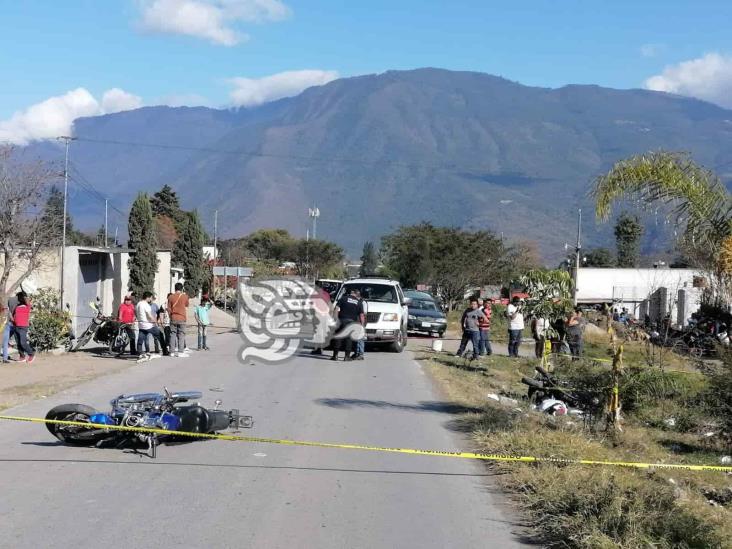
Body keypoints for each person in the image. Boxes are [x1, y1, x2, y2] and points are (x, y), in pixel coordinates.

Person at [331, 288, 365, 361]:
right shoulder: (359, 302)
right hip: (351, 322)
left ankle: (335, 356)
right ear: (356, 294)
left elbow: (336, 308)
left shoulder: (343, 298)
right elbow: (361, 315)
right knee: (348, 339)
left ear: (351, 293)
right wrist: (362, 325)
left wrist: (335, 318)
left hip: (341, 320)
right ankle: (346, 357)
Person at [136, 291, 169, 359]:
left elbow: (136, 313)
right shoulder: (146, 305)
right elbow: (149, 316)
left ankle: (139, 352)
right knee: (160, 335)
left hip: (141, 325)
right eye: (150, 298)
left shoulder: (138, 304)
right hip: (148, 325)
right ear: (148, 297)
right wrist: (155, 322)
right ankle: (165, 351)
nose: (151, 299)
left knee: (140, 339)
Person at [168, 283, 190, 358]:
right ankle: (180, 352)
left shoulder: (170, 297)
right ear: (182, 288)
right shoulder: (185, 296)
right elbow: (187, 305)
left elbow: (169, 308)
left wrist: (170, 316)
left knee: (172, 334)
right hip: (182, 318)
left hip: (173, 317)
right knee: (181, 334)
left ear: (175, 288)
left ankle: (171, 352)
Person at [310, 282, 332, 356]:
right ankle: (321, 348)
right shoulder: (326, 294)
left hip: (317, 315)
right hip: (325, 315)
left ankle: (318, 349)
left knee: (317, 333)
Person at [12, 292, 35, 364]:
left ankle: (31, 354)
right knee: (18, 343)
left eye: (17, 297)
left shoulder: (27, 306)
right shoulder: (17, 306)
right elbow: (14, 315)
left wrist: (24, 296)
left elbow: (27, 300)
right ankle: (22, 357)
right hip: (16, 326)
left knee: (23, 342)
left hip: (23, 326)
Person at [2, 291, 24, 363]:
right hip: (14, 323)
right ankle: (22, 356)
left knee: (5, 341)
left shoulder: (9, 300)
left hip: (8, 323)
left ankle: (5, 358)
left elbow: (8, 311)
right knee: (18, 339)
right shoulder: (21, 301)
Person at [351, 289, 367, 360]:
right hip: (356, 322)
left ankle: (360, 354)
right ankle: (356, 353)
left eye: (352, 294)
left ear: (356, 295)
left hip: (360, 322)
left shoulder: (363, 302)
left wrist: (362, 324)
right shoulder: (356, 301)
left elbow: (363, 314)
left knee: (360, 339)